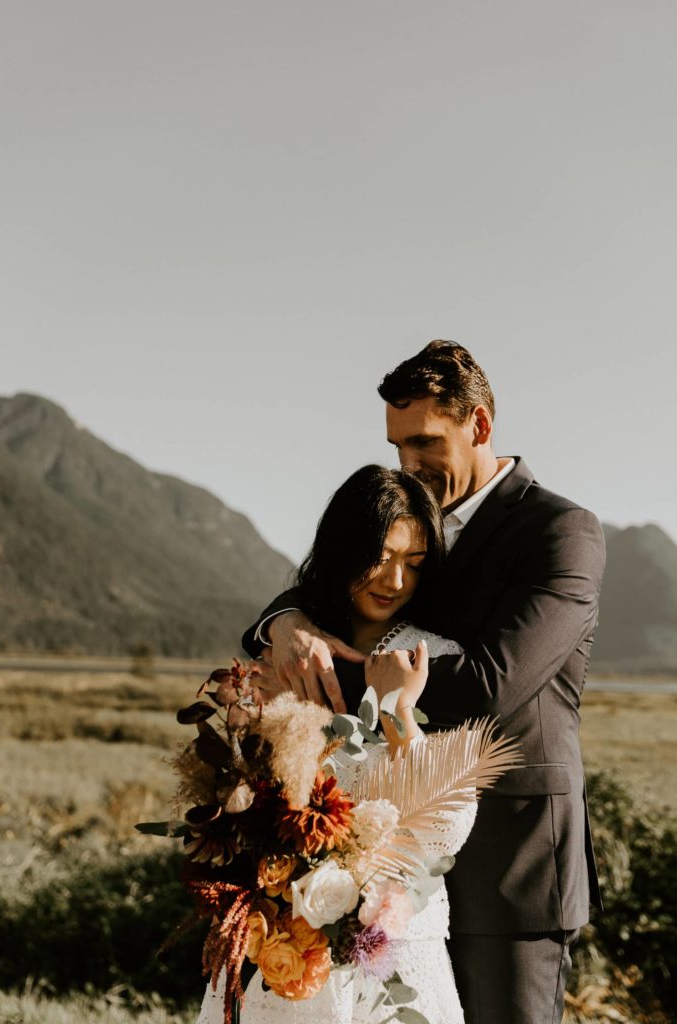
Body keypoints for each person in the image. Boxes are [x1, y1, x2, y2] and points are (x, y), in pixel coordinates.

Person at [243, 341, 606, 1024]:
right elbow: (329, 585)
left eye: (424, 442)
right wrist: (284, 623)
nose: (408, 463)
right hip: (394, 877)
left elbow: (491, 683)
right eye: (396, 445)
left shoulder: (561, 530)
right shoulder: (415, 514)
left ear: (480, 424)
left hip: (511, 865)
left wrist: (325, 685)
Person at [197, 464, 477, 1024]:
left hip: (391, 953)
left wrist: (399, 711)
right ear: (342, 550)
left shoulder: (438, 658)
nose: (396, 580)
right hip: (283, 948)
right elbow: (243, 801)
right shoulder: (290, 651)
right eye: (381, 556)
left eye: (414, 563)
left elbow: (450, 830)